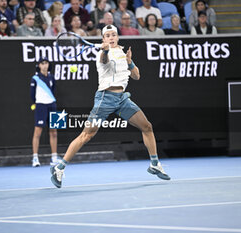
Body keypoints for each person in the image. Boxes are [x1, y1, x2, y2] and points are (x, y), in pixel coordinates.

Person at [50, 24, 170, 188]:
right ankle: (59, 168)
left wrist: (129, 62)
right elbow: (104, 60)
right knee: (87, 135)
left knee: (147, 126)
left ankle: (154, 164)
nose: (111, 38)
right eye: (108, 36)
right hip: (105, 98)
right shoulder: (101, 53)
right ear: (103, 39)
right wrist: (105, 51)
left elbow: (136, 76)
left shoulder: (122, 52)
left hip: (122, 99)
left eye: (114, 35)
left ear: (117, 37)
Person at [30, 57, 60, 167]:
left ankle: (54, 157)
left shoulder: (52, 77)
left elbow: (53, 91)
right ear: (39, 65)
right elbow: (32, 95)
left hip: (52, 104)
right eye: (42, 63)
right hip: (40, 106)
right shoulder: (35, 78)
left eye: (46, 63)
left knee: (54, 131)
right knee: (37, 132)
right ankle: (35, 158)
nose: (44, 65)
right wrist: (38, 103)